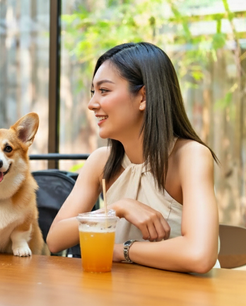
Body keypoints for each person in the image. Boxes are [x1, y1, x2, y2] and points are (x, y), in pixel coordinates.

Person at [46, 42, 219, 274]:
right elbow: (55, 239)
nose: (91, 103)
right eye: (92, 92)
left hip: (188, 301)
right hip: (125, 298)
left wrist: (120, 251)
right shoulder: (101, 161)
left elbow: (199, 254)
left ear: (143, 97)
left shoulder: (191, 156)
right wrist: (118, 208)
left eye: (104, 91)